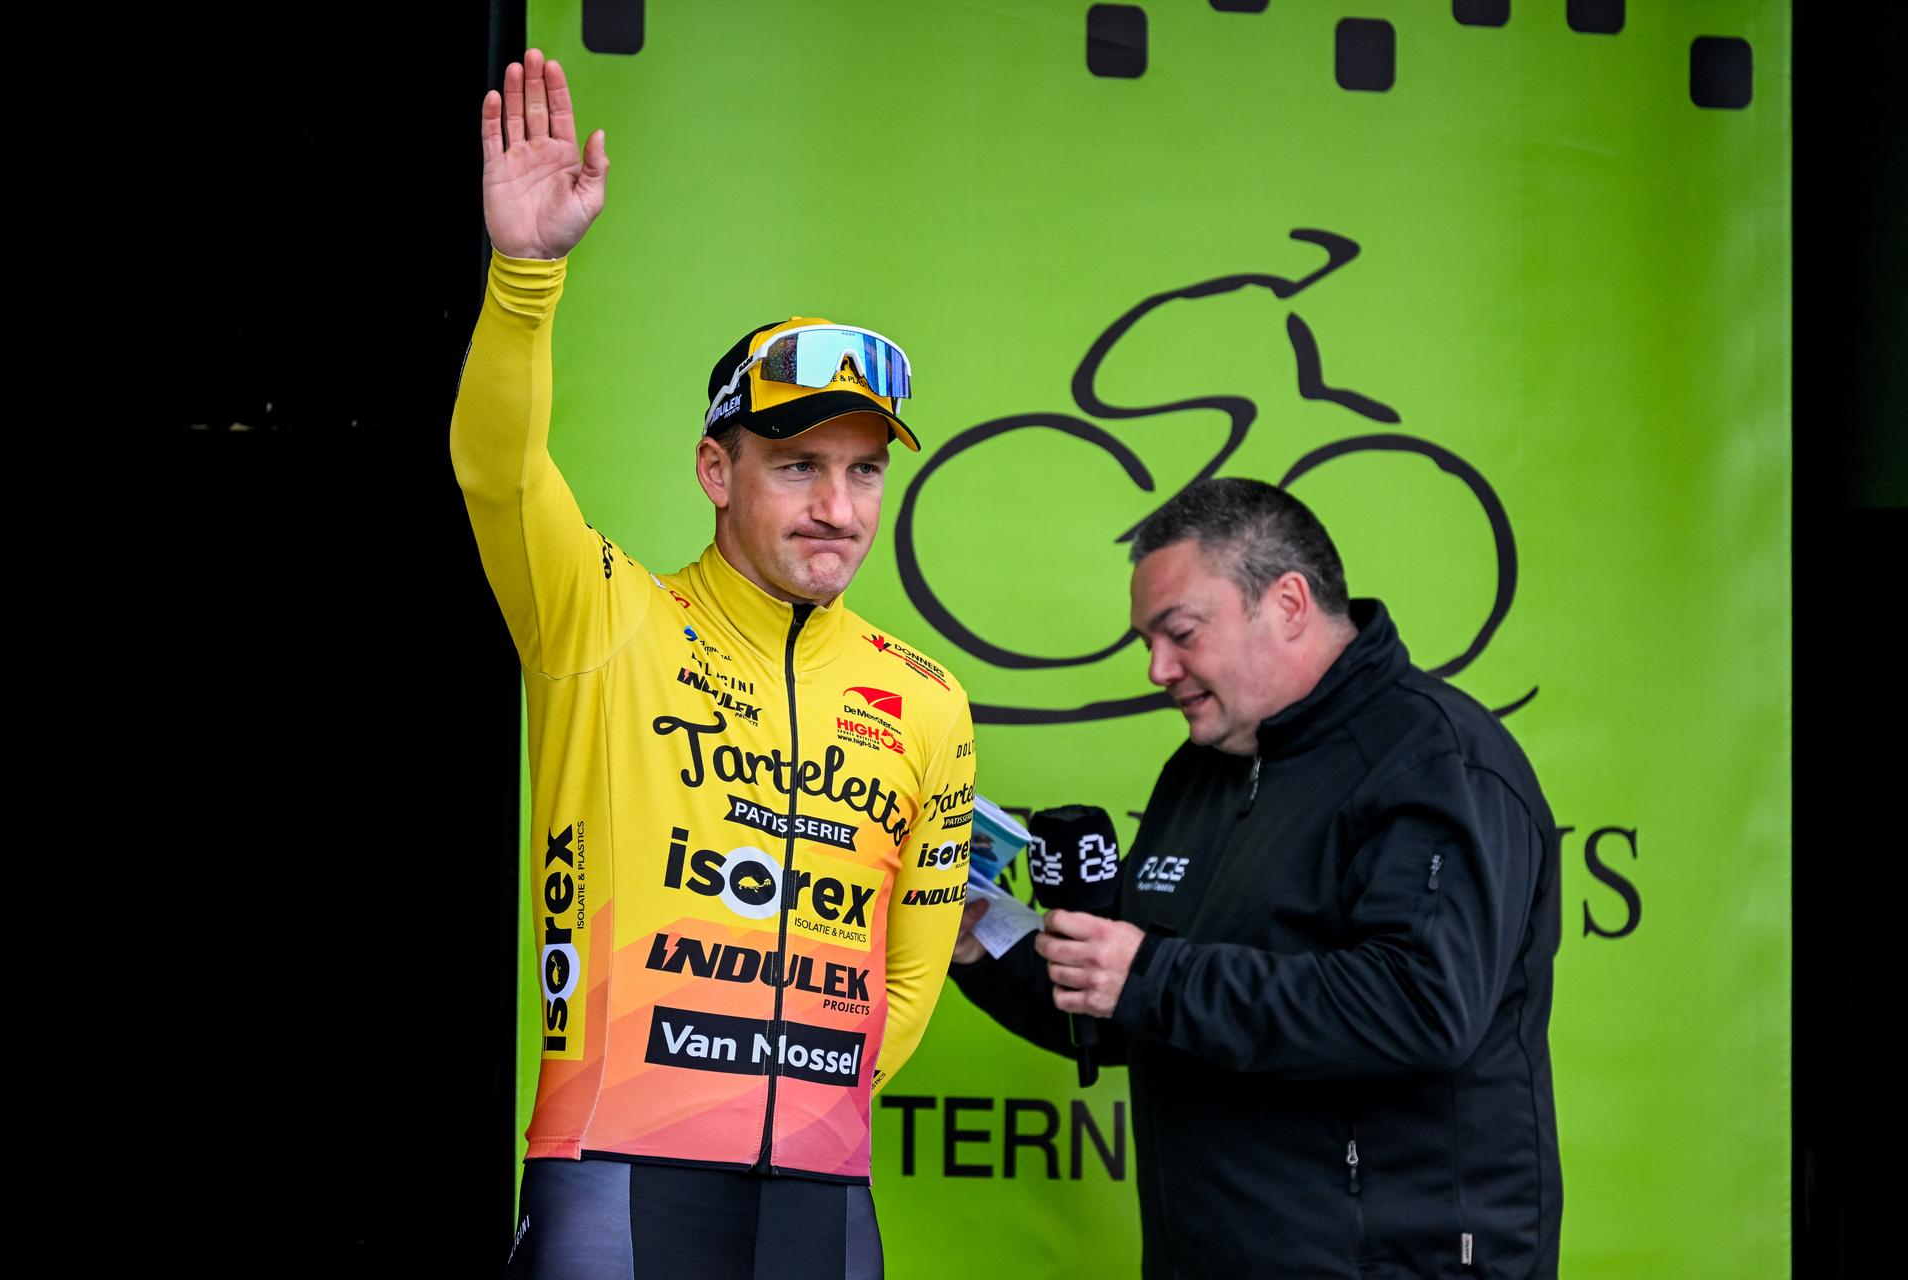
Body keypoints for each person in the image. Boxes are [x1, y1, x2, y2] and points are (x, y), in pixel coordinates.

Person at [454, 50, 975, 1280]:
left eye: (864, 470)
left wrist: (798, 1089)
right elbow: (496, 472)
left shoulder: (930, 699)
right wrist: (527, 278)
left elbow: (912, 966)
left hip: (822, 1187)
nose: (838, 507)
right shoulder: (604, 619)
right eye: (797, 464)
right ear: (715, 472)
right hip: (617, 1171)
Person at [953, 478, 1562, 1279]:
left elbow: (1422, 1008)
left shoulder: (1437, 762)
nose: (1156, 668)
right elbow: (1130, 1010)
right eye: (1146, 640)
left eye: (1180, 633)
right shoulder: (1199, 770)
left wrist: (1149, 974)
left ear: (1287, 602)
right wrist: (981, 939)